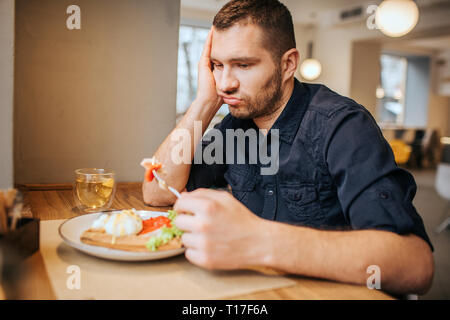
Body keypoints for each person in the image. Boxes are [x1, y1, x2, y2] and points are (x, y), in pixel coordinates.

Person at [142, 0, 434, 295]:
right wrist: (204, 102)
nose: (225, 83)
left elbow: (415, 266)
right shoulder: (235, 125)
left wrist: (258, 240)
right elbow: (157, 191)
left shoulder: (343, 126)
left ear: (288, 64)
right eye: (217, 65)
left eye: (243, 65)